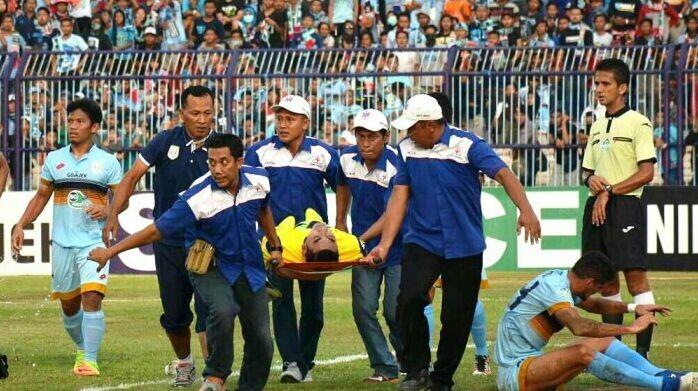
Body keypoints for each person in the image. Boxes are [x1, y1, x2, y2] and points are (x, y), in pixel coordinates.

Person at [364, 94, 541, 391]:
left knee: (456, 316)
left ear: (431, 125)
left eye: (413, 127)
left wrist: (526, 210)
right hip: (422, 240)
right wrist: (384, 243)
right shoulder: (406, 149)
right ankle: (417, 369)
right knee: (407, 301)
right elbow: (400, 195)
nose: (407, 133)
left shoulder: (468, 144)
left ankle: (442, 379)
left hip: (465, 243)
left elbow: (503, 173)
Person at [89, 134, 280, 391]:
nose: (217, 169)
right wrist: (111, 252)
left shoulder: (259, 179)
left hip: (251, 268)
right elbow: (156, 230)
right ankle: (215, 376)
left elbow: (264, 210)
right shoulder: (197, 196)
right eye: (212, 163)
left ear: (239, 162)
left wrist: (275, 245)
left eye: (224, 162)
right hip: (211, 268)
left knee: (262, 339)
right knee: (223, 311)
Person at [103, 85, 215, 387]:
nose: (202, 119)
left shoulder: (222, 147)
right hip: (168, 244)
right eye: (195, 113)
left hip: (209, 245)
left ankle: (213, 376)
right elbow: (132, 177)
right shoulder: (165, 142)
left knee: (210, 313)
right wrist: (113, 214)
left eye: (208, 113)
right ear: (182, 114)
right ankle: (184, 363)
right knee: (175, 315)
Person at [11, 98, 123, 376]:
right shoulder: (54, 159)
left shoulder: (107, 162)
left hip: (94, 243)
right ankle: (83, 348)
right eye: (70, 121)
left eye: (80, 121)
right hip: (62, 243)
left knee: (92, 297)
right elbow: (41, 196)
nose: (73, 126)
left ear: (94, 126)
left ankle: (89, 360)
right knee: (70, 306)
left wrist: (108, 208)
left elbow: (123, 200)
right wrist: (21, 224)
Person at [494, 251, 698, 391]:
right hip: (514, 373)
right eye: (597, 288)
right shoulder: (555, 289)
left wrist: (634, 307)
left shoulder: (562, 281)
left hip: (531, 361)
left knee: (606, 340)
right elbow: (579, 326)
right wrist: (630, 328)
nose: (595, 293)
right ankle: (664, 386)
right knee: (581, 353)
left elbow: (594, 305)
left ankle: (667, 375)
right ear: (590, 282)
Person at [244, 94, 339, 383]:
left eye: (290, 119)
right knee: (282, 301)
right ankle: (292, 363)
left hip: (314, 244)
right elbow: (250, 196)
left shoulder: (324, 153)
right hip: (276, 242)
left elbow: (343, 187)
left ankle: (304, 361)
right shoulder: (259, 153)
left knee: (314, 307)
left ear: (305, 123)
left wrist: (340, 222)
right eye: (280, 118)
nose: (282, 124)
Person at [581, 59, 658, 359]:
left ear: (622, 88)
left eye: (605, 84)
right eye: (596, 84)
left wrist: (610, 190)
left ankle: (643, 352)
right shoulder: (597, 126)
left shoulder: (638, 122)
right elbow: (586, 172)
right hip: (596, 207)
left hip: (625, 206)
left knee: (635, 278)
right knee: (606, 279)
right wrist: (593, 181)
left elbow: (646, 172)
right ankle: (616, 352)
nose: (598, 90)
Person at [335, 109, 403, 383]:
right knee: (362, 309)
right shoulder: (346, 159)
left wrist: (359, 239)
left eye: (372, 137)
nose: (365, 143)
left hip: (398, 246)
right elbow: (342, 185)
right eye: (360, 136)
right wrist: (340, 221)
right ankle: (384, 367)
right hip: (362, 249)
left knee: (394, 311)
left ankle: (409, 359)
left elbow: (392, 214)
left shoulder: (399, 165)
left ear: (385, 137)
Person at [261, 208, 366, 279]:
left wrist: (287, 272)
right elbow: (361, 246)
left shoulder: (285, 246)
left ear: (304, 248)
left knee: (289, 220)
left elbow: (268, 241)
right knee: (313, 215)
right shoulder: (350, 246)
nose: (323, 231)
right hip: (312, 223)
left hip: (290, 235)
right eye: (331, 237)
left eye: (317, 238)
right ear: (338, 246)